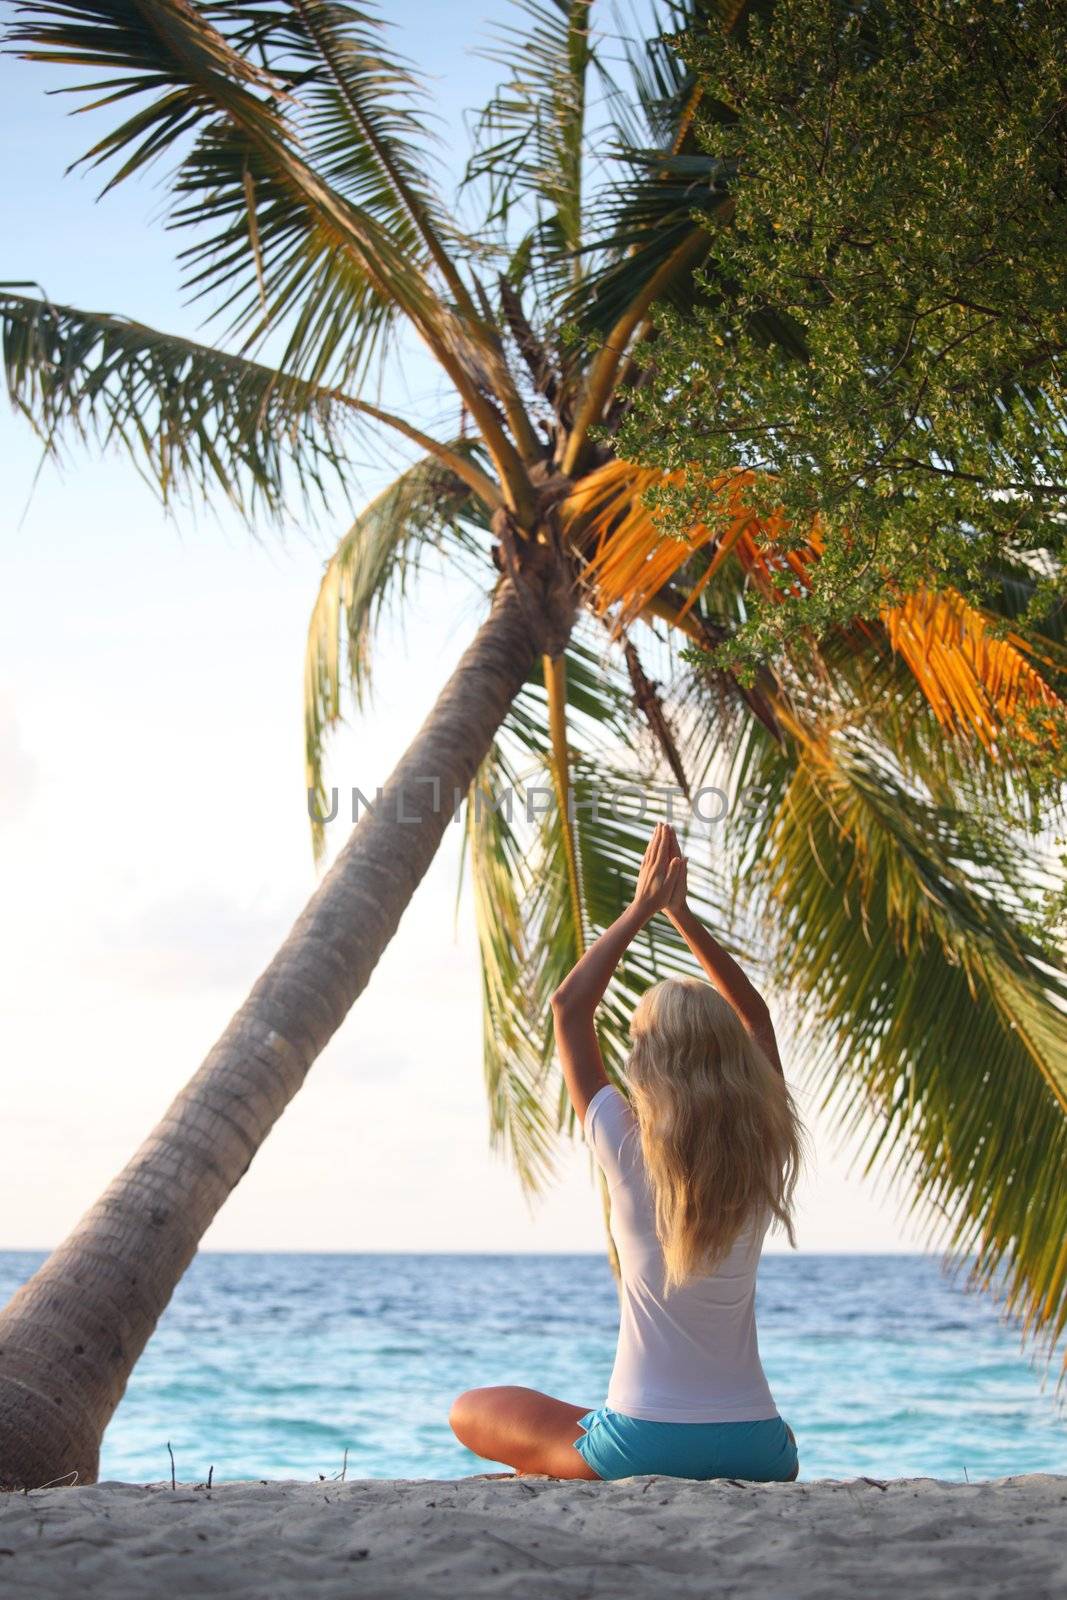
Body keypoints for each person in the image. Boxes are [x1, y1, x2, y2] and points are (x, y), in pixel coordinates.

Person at [449, 823, 804, 1482]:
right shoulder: (765, 1141)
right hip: (762, 1449)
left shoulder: (623, 1140)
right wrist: (684, 918)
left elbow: (567, 1008)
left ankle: (606, 1437)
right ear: (731, 1059)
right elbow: (755, 1017)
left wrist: (642, 909)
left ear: (648, 1061)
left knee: (471, 1408)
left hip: (640, 1447)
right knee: (585, 1417)